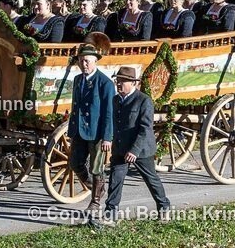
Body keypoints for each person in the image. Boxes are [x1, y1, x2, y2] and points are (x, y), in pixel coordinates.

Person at [95, 66, 171, 228]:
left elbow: (145, 129)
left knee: (151, 179)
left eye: (123, 81)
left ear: (134, 84)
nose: (119, 84)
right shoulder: (116, 100)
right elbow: (111, 123)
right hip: (121, 148)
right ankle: (110, 214)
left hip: (141, 150)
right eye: (118, 81)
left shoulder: (144, 100)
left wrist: (134, 151)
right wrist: (108, 139)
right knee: (115, 179)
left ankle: (164, 206)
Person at [67, 42, 114, 217]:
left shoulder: (105, 83)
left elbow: (108, 113)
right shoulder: (78, 80)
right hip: (79, 130)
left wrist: (107, 137)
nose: (83, 64)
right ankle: (97, 188)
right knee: (75, 163)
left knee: (96, 168)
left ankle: (95, 202)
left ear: (95, 61)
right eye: (80, 61)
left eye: (87, 61)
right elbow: (75, 107)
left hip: (97, 132)